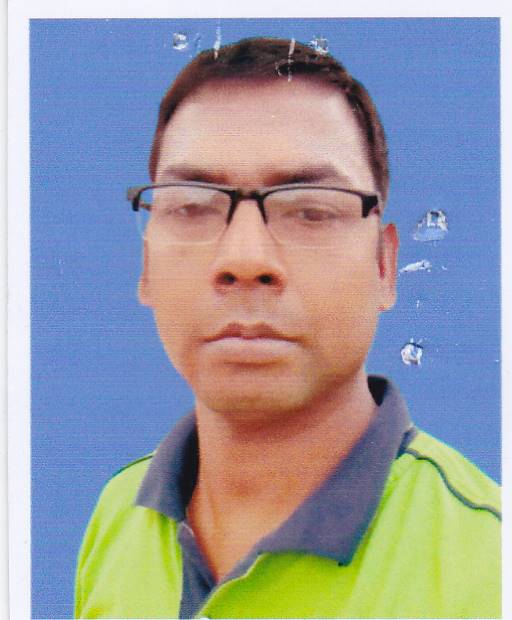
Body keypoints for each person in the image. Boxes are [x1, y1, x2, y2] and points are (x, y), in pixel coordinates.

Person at [74, 37, 501, 619]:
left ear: (384, 266)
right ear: (146, 265)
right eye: (192, 205)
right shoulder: (118, 515)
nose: (245, 259)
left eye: (310, 208)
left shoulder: (488, 563)